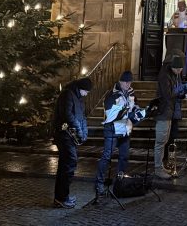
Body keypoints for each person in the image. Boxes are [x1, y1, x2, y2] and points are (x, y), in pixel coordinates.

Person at [95, 69, 142, 198]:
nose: (128, 84)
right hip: (113, 130)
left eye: (129, 82)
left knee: (124, 157)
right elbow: (109, 113)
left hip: (126, 130)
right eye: (125, 82)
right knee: (106, 157)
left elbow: (135, 104)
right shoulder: (112, 94)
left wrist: (137, 109)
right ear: (120, 81)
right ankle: (99, 183)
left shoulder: (132, 93)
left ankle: (119, 182)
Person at [52, 76, 91, 208]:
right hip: (64, 135)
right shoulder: (67, 95)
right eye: (86, 91)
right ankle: (61, 198)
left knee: (67, 165)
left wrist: (84, 132)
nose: (86, 94)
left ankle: (63, 196)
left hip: (71, 136)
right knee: (68, 165)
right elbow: (67, 115)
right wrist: (79, 130)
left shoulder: (79, 98)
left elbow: (82, 117)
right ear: (80, 88)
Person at [154, 55, 187, 179]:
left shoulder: (174, 75)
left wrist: (182, 91)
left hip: (169, 112)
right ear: (173, 67)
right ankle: (157, 168)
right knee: (160, 141)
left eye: (181, 69)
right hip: (163, 112)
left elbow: (175, 92)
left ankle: (160, 166)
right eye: (178, 69)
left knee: (165, 141)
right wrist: (179, 90)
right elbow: (167, 95)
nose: (179, 72)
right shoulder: (164, 76)